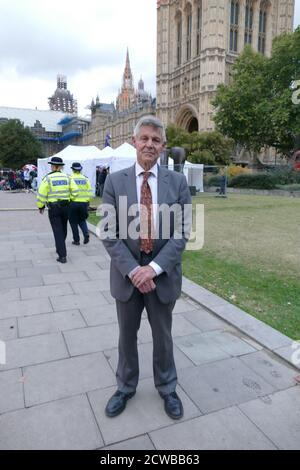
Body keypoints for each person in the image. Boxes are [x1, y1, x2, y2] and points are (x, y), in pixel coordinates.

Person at [101, 115, 192, 420]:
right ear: (134, 142)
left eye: (156, 140)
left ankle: (168, 387)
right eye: (145, 138)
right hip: (127, 275)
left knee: (163, 336)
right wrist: (134, 270)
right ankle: (125, 387)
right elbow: (109, 232)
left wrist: (152, 269)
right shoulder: (114, 181)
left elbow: (182, 232)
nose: (150, 144)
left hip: (161, 274)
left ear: (163, 146)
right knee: (126, 336)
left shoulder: (177, 182)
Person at [36, 156, 70, 263]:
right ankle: (60, 247)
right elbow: (75, 191)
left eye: (51, 166)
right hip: (66, 207)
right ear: (60, 167)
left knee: (57, 231)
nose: (51, 167)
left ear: (53, 167)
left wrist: (41, 206)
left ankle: (62, 255)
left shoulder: (48, 178)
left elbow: (41, 194)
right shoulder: (67, 177)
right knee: (64, 228)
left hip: (54, 208)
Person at [69, 162, 93, 245]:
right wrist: (87, 202)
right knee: (82, 220)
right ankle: (86, 233)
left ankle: (76, 240)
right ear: (80, 169)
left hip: (73, 203)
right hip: (84, 203)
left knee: (73, 222)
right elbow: (90, 192)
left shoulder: (70, 178)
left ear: (72, 169)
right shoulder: (85, 179)